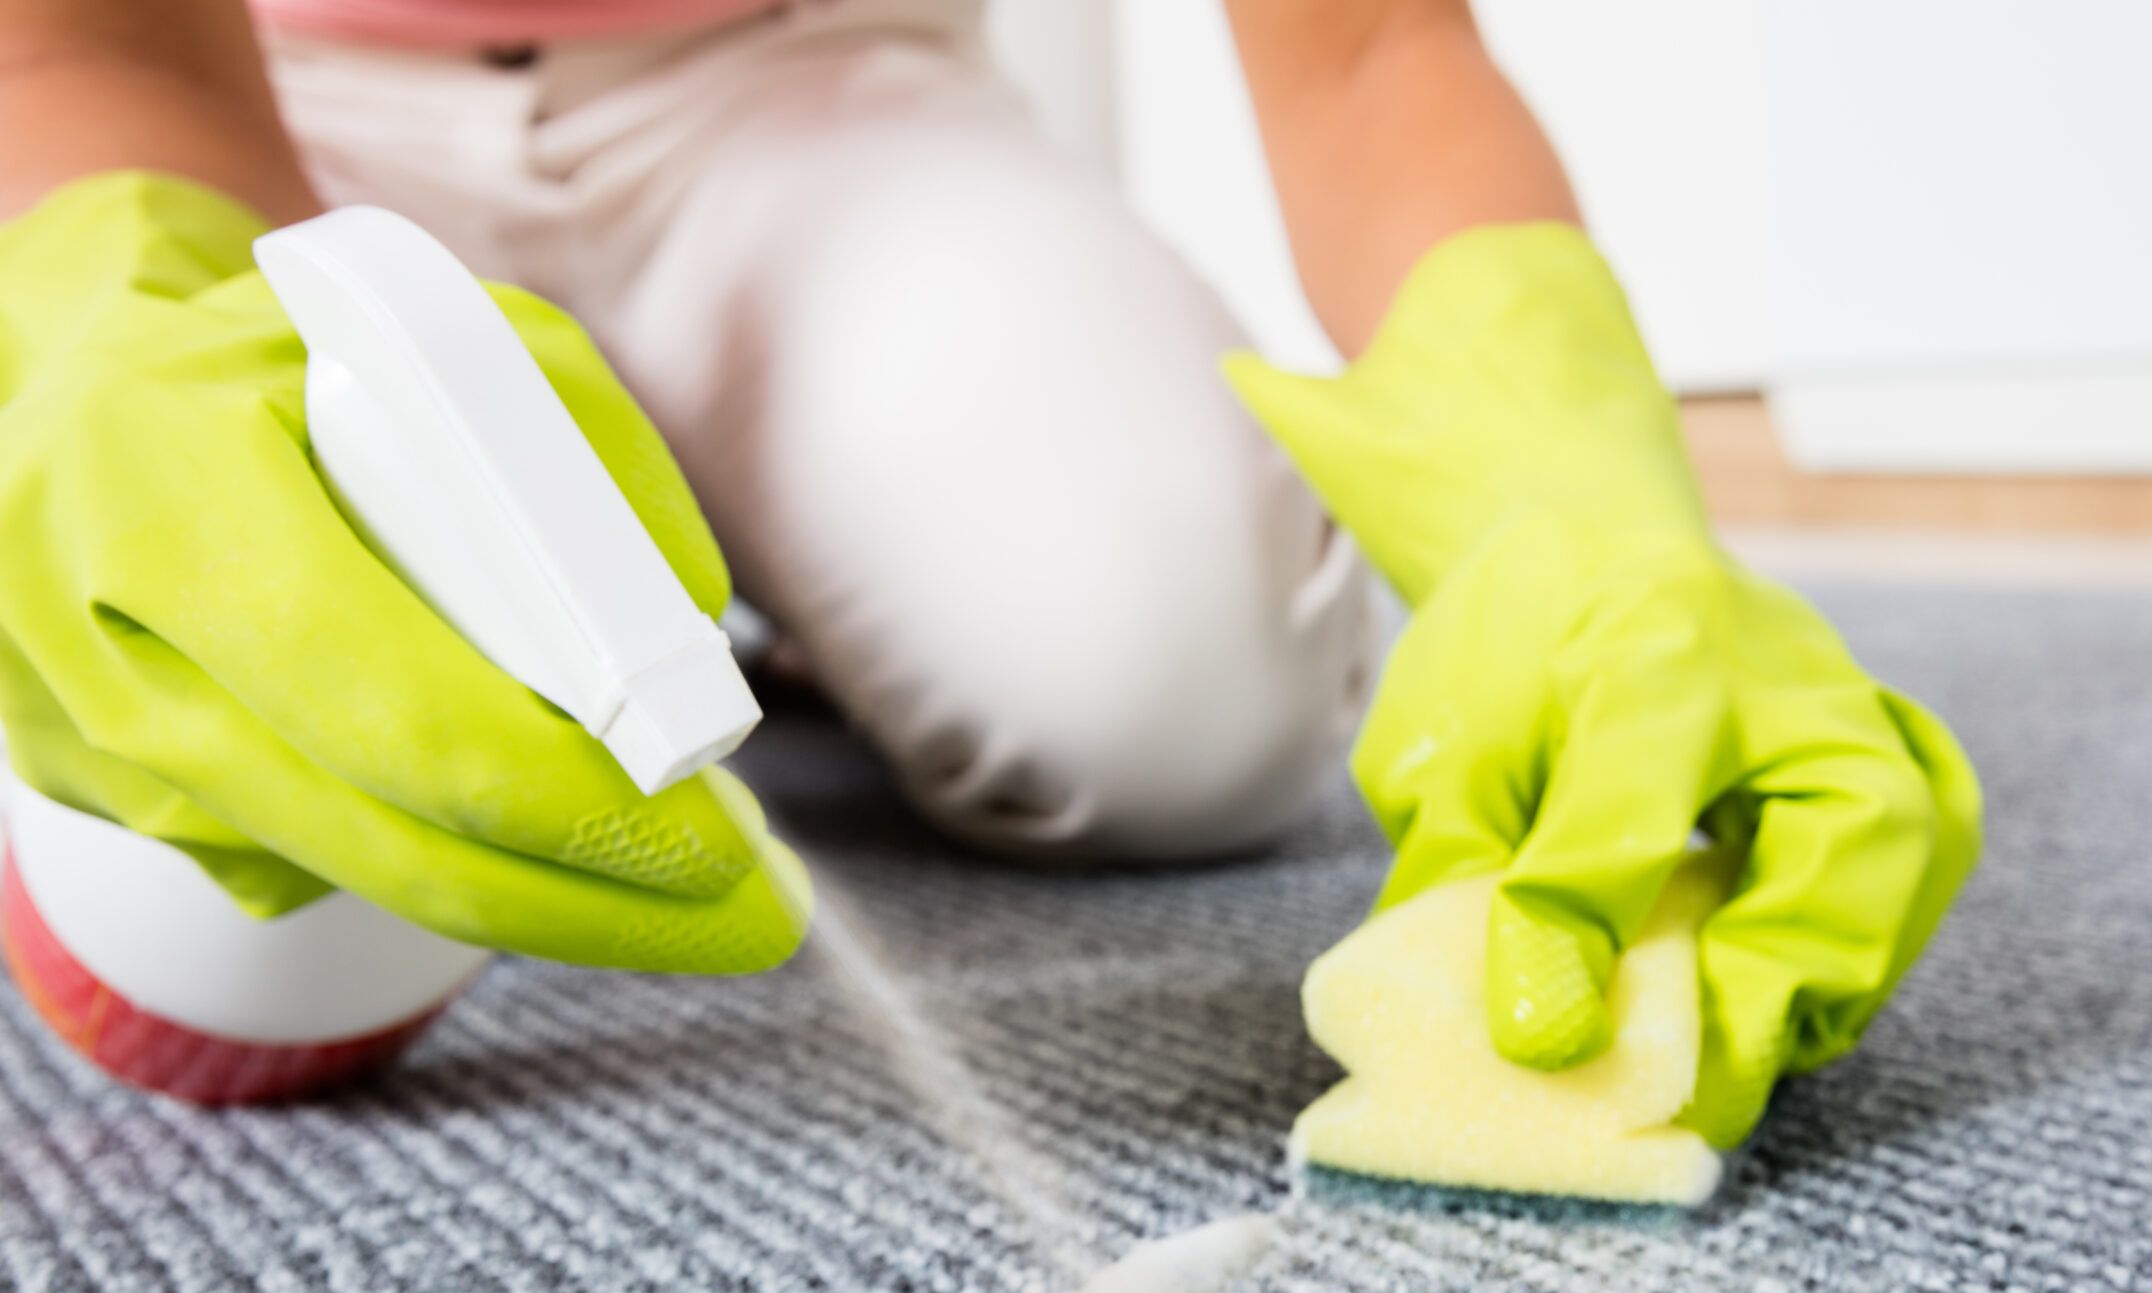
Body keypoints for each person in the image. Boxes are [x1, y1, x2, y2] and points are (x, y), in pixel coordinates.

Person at [0, 0, 1980, 1146]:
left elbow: (1365, 49)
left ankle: (766, 568)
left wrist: (1583, 500)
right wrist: (112, 320)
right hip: (228, 93)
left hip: (786, 84)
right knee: (250, 942)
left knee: (1175, 684)